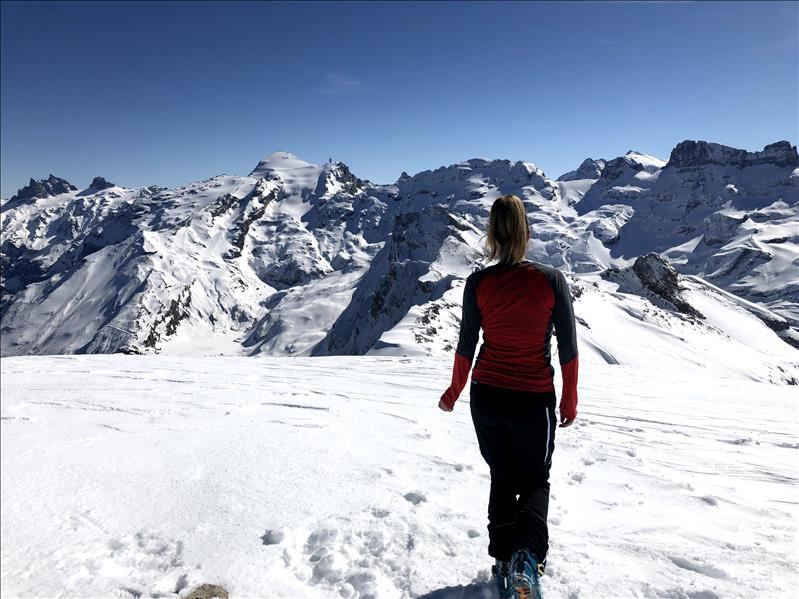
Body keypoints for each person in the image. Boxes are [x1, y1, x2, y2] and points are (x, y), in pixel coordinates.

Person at [438, 194, 578, 599]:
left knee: (502, 476)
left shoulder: (479, 283)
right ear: (527, 234)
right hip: (533, 401)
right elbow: (568, 348)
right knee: (535, 480)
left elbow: (466, 345)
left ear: (492, 236)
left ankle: (502, 561)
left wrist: (453, 392)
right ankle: (526, 559)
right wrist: (569, 400)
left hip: (487, 398)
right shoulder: (551, 280)